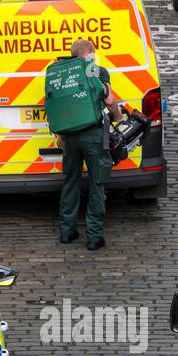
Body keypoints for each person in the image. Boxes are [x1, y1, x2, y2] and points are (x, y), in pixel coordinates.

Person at [57, 38, 122, 251]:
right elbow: (109, 101)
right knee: (97, 184)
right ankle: (94, 237)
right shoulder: (96, 71)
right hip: (93, 137)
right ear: (91, 53)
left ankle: (67, 232)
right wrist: (119, 117)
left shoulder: (61, 73)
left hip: (69, 137)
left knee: (70, 182)